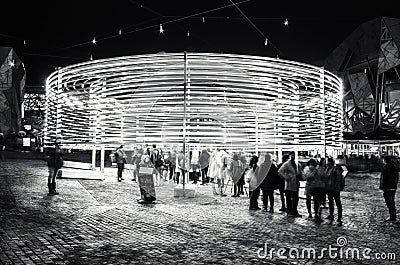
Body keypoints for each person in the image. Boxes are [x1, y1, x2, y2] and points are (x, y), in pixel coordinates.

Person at [278, 152, 302, 217]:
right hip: (289, 184)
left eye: (294, 155)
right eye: (292, 155)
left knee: (296, 198)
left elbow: (299, 173)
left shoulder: (297, 164)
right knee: (289, 198)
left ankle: (294, 210)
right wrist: (286, 178)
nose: (293, 156)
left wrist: (299, 176)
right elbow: (280, 171)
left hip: (296, 183)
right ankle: (289, 211)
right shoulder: (286, 164)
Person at [379, 156, 399, 222]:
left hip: (387, 187)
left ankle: (392, 217)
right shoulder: (394, 167)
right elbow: (397, 177)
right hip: (393, 187)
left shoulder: (385, 168)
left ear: (385, 160)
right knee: (392, 201)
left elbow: (383, 178)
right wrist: (395, 184)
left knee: (389, 202)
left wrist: (382, 186)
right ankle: (393, 216)